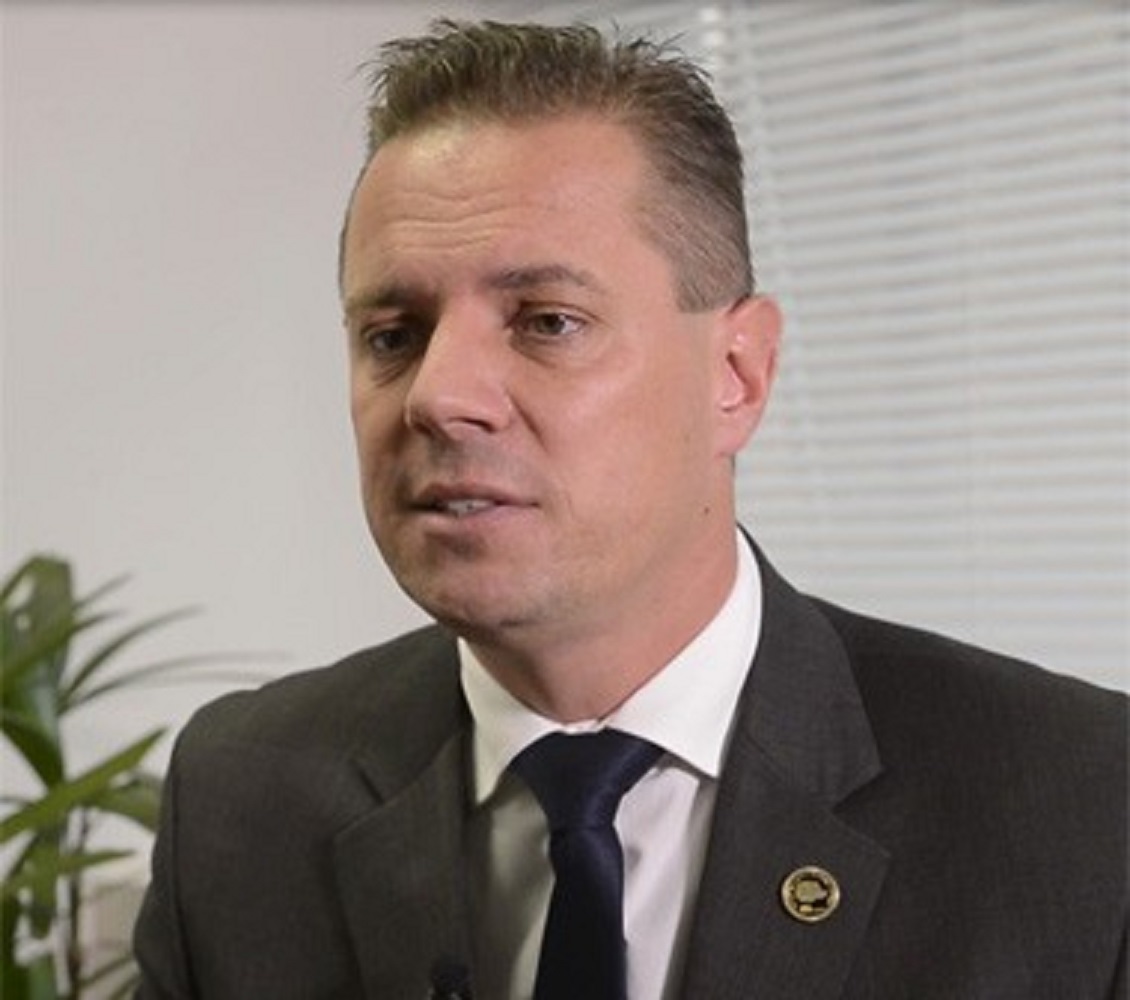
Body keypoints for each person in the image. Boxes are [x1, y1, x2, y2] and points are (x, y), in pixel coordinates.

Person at [133, 19, 1127, 1000]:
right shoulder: (242, 795)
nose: (439, 395)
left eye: (547, 322)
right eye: (393, 335)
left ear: (736, 375)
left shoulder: (1083, 810)